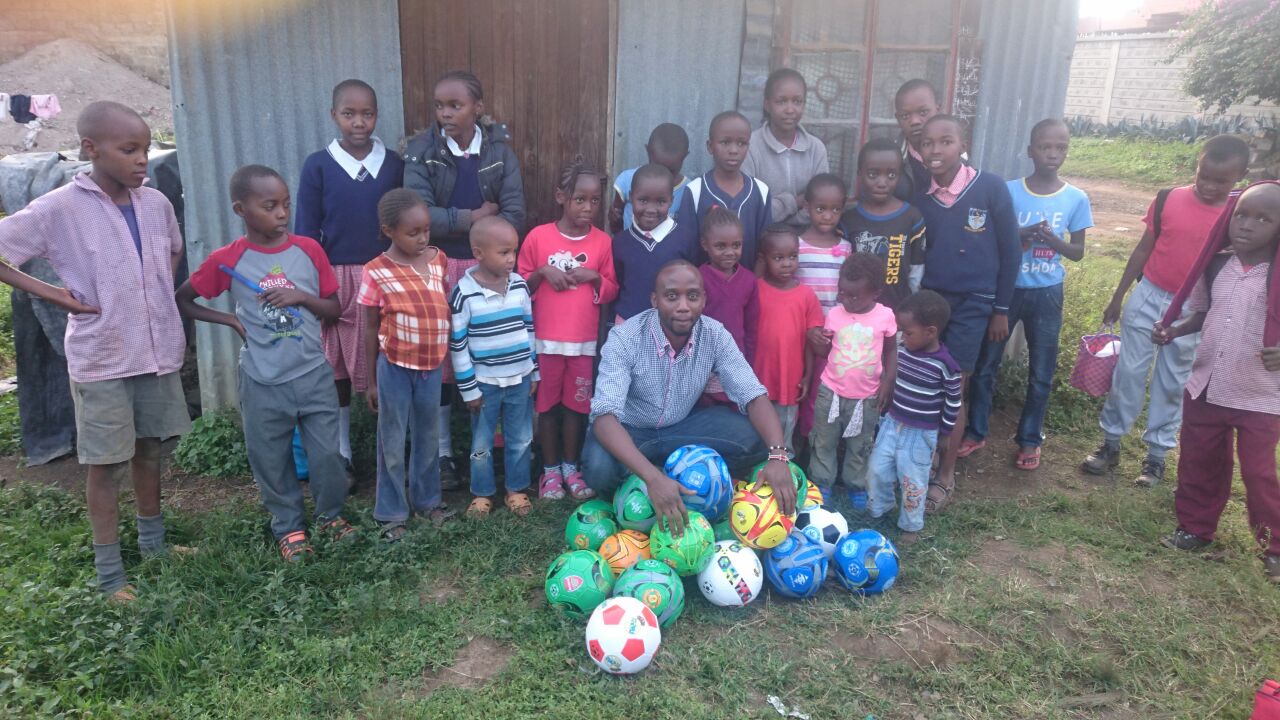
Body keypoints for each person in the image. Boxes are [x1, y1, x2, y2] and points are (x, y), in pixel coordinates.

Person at [0, 101, 192, 600]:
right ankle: (111, 577)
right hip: (103, 357)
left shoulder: (155, 203)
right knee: (105, 465)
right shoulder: (61, 207)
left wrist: (153, 292)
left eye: (145, 149)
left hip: (155, 350)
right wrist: (54, 294)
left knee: (150, 449)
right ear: (91, 149)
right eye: (128, 149)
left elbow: (173, 248)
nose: (142, 159)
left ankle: (154, 545)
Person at [179, 165, 355, 561]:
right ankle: (289, 527)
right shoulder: (228, 259)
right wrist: (229, 320)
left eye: (286, 205)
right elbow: (184, 299)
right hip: (262, 379)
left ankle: (330, 517)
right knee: (270, 458)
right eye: (270, 206)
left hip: (313, 372)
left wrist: (300, 297)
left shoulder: (308, 250)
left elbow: (334, 308)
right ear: (241, 209)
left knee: (327, 454)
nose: (281, 214)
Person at [1082, 134, 1251, 487]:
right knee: (1128, 372)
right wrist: (1119, 296)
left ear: (1240, 177)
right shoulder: (1168, 199)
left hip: (1194, 308)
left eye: (1220, 181)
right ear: (1197, 165)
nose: (1209, 186)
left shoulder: (1237, 216)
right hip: (1149, 294)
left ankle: (1156, 456)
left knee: (1173, 380)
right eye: (1203, 175)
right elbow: (1144, 248)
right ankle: (1111, 443)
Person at [583, 260, 797, 534]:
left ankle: (673, 471)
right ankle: (654, 475)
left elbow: (753, 395)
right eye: (672, 296)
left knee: (754, 439)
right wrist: (653, 479)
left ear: (704, 299)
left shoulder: (715, 335)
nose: (683, 306)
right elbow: (604, 417)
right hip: (630, 430)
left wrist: (778, 456)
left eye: (692, 296)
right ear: (655, 300)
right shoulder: (625, 338)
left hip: (680, 427)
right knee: (598, 470)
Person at [1152, 181, 1280, 584]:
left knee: (1258, 473)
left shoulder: (1277, 274)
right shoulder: (1216, 265)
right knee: (1199, 460)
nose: (1247, 225)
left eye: (1263, 219)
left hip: (1260, 394)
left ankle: (1274, 547)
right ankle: (1195, 527)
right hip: (1207, 385)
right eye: (1241, 215)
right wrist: (1175, 330)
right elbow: (1203, 313)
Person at [404, 69, 526, 490]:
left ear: (478, 108)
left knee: (491, 352)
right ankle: (442, 452)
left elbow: (513, 212)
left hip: (487, 269)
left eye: (455, 106)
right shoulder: (421, 152)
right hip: (436, 267)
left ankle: (493, 445)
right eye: (440, 106)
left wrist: (485, 246)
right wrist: (474, 217)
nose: (445, 113)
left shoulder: (500, 153)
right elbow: (419, 216)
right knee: (441, 360)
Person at [963, 119, 1092, 471]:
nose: (1053, 154)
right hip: (1007, 290)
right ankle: (976, 431)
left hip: (1048, 293)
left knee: (1041, 371)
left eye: (1060, 148)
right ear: (1030, 150)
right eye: (1045, 147)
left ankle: (1030, 439)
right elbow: (991, 237)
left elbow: (1077, 252)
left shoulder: (1076, 198)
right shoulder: (1008, 191)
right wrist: (1021, 233)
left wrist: (1052, 239)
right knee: (986, 365)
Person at [294, 79, 404, 480]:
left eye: (367, 114)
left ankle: (392, 451)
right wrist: (314, 284)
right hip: (337, 277)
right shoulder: (318, 165)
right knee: (336, 365)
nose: (359, 122)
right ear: (333, 115)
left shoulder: (393, 164)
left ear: (377, 115)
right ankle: (342, 452)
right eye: (349, 114)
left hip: (387, 274)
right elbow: (307, 232)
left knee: (388, 359)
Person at [915, 114, 1019, 513]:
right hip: (932, 302)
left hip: (975, 304)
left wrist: (1001, 309)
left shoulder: (989, 187)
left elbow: (1011, 251)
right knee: (925, 382)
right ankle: (923, 462)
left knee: (954, 387)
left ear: (963, 145)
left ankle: (946, 473)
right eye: (928, 143)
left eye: (946, 141)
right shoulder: (921, 199)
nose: (936, 150)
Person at [354, 188, 454, 541]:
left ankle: (428, 500)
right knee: (392, 440)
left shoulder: (438, 260)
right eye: (413, 233)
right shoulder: (375, 271)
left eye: (426, 230)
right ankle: (391, 510)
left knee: (428, 435)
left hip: (431, 366)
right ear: (389, 231)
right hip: (394, 366)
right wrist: (370, 381)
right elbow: (369, 328)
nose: (422, 238)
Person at [518, 158, 618, 500]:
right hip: (545, 342)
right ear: (561, 197)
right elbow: (519, 287)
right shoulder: (538, 238)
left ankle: (571, 469)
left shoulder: (602, 243)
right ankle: (549, 472)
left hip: (582, 345)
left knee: (577, 407)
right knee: (547, 407)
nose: (588, 207)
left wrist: (595, 277)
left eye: (595, 201)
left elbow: (612, 289)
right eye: (580, 199)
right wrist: (542, 272)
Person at [449, 216, 538, 519]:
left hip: (519, 379)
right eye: (504, 252)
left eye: (514, 251)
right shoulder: (464, 293)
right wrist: (469, 389)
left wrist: (534, 371)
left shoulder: (520, 285)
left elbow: (529, 330)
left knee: (520, 438)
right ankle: (482, 492)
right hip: (484, 384)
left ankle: (516, 489)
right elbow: (458, 344)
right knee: (481, 442)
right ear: (479, 253)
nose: (512, 258)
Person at [867, 290, 962, 542]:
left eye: (908, 332)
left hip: (920, 435)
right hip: (892, 424)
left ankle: (911, 527)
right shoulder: (902, 351)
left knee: (913, 483)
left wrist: (945, 433)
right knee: (877, 469)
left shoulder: (946, 366)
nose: (902, 336)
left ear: (930, 332)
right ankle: (880, 509)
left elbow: (954, 402)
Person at [809, 253, 898, 506]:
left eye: (854, 296)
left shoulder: (885, 316)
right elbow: (825, 352)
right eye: (842, 292)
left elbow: (891, 351)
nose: (846, 299)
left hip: (867, 397)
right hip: (831, 393)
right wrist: (818, 340)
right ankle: (822, 483)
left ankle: (856, 484)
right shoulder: (835, 314)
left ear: (876, 293)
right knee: (824, 440)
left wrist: (888, 382)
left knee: (860, 445)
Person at [751, 225, 823, 445]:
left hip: (790, 382)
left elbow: (810, 342)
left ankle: (785, 466)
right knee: (755, 436)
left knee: (784, 440)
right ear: (764, 259)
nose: (787, 263)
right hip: (757, 380)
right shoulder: (755, 290)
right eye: (778, 258)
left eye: (793, 256)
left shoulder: (806, 295)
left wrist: (808, 376)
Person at [796, 173, 853, 441]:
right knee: (797, 384)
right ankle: (793, 440)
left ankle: (815, 442)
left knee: (821, 389)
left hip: (830, 335)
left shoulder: (845, 248)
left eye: (835, 210)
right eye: (820, 209)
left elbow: (847, 294)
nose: (828, 216)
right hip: (799, 331)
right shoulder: (796, 246)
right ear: (807, 207)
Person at [840, 138, 926, 310]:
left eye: (891, 175)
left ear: (900, 175)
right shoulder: (848, 220)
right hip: (858, 312)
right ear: (860, 174)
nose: (882, 183)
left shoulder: (911, 217)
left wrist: (911, 307)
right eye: (873, 174)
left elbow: (916, 269)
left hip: (897, 311)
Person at [676, 111, 772, 266]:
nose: (734, 150)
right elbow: (687, 248)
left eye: (741, 143)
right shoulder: (695, 191)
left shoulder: (761, 191)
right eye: (725, 142)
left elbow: (765, 248)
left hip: (749, 280)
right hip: (703, 280)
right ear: (710, 146)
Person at [742, 68, 830, 228]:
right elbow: (749, 210)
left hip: (805, 235)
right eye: (781, 101)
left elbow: (821, 206)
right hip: (761, 237)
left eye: (797, 102)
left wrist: (783, 218)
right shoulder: (750, 147)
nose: (790, 110)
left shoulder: (816, 149)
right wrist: (794, 202)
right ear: (767, 105)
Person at [612, 164, 700, 321]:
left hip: (670, 325)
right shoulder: (620, 243)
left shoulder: (686, 239)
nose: (651, 209)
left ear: (671, 201)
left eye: (660, 202)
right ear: (631, 197)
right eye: (643, 200)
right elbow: (617, 285)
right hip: (628, 323)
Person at [699, 207, 758, 404]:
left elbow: (751, 326)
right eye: (720, 246)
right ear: (705, 245)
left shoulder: (749, 281)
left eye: (736, 245)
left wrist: (749, 361)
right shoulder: (697, 278)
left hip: (736, 356)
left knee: (733, 405)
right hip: (704, 360)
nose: (730, 252)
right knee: (705, 406)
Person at [610, 123, 690, 233]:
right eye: (657, 167)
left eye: (671, 171)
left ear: (684, 157)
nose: (663, 175)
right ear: (648, 152)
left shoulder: (688, 190)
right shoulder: (627, 180)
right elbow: (615, 217)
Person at [893, 78, 944, 200]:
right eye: (905, 115)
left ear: (937, 110)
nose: (915, 121)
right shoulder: (892, 157)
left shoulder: (955, 153)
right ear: (897, 118)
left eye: (923, 112)